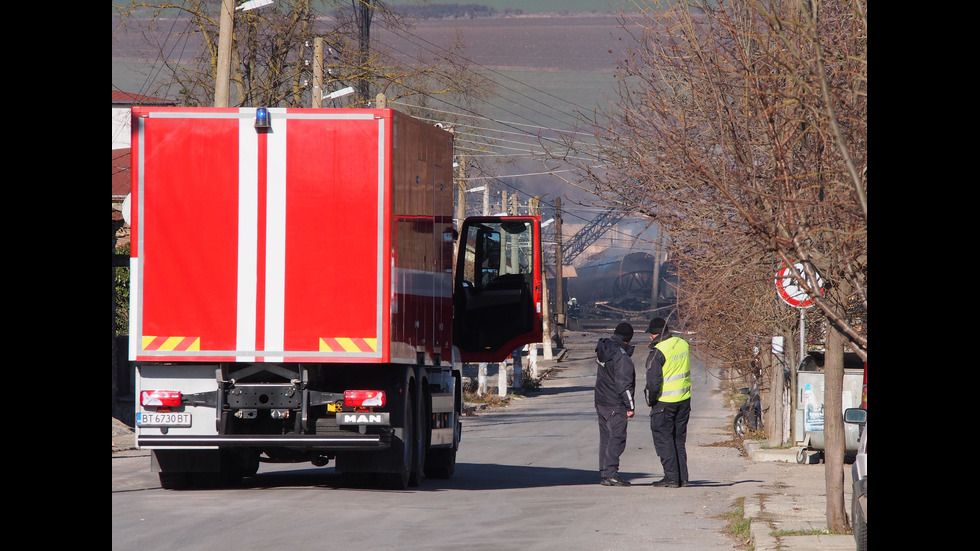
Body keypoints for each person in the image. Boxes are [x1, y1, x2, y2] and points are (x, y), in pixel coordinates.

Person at [644, 317, 692, 488]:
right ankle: (682, 478)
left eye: (651, 335)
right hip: (684, 400)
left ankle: (671, 478)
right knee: (678, 440)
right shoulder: (682, 343)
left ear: (655, 334)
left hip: (664, 402)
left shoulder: (657, 352)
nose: (650, 338)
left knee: (664, 440)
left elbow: (653, 383)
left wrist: (651, 400)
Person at [594, 322, 636, 487]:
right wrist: (630, 406)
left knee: (606, 437)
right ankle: (611, 474)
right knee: (617, 438)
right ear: (628, 339)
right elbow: (623, 385)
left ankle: (605, 473)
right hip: (614, 403)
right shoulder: (621, 356)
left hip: (601, 401)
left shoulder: (605, 348)